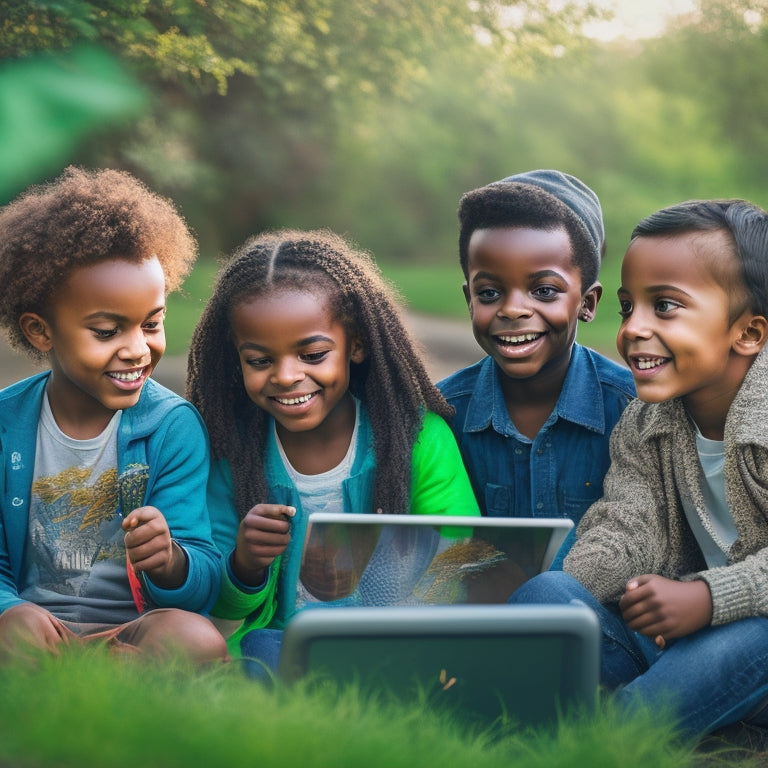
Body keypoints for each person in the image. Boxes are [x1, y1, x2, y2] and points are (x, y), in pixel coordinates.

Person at [509, 198, 768, 740]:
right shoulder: (646, 420)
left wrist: (708, 598)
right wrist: (585, 589)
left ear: (747, 333)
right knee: (548, 598)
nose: (633, 329)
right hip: (688, 646)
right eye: (629, 307)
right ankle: (693, 714)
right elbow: (626, 525)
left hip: (751, 637)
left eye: (665, 306)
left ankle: (601, 739)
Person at [186, 228, 480, 671]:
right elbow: (220, 605)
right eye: (260, 361)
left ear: (355, 345)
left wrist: (401, 565)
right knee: (259, 657)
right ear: (236, 359)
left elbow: (460, 557)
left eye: (312, 354)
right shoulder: (234, 453)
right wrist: (245, 563)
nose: (286, 376)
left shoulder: (417, 435)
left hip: (395, 637)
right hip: (283, 640)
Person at [0, 167, 228, 663]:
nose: (138, 349)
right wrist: (15, 615)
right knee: (13, 628)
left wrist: (170, 563)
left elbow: (202, 585)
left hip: (129, 632)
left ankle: (109, 680)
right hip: (32, 626)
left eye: (152, 324)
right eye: (107, 331)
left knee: (196, 640)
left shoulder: (172, 428)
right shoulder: (5, 424)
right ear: (40, 332)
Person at [437, 170, 635, 565]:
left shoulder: (633, 410)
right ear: (469, 299)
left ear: (588, 302)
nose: (513, 309)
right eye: (489, 292)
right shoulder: (442, 415)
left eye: (544, 290)